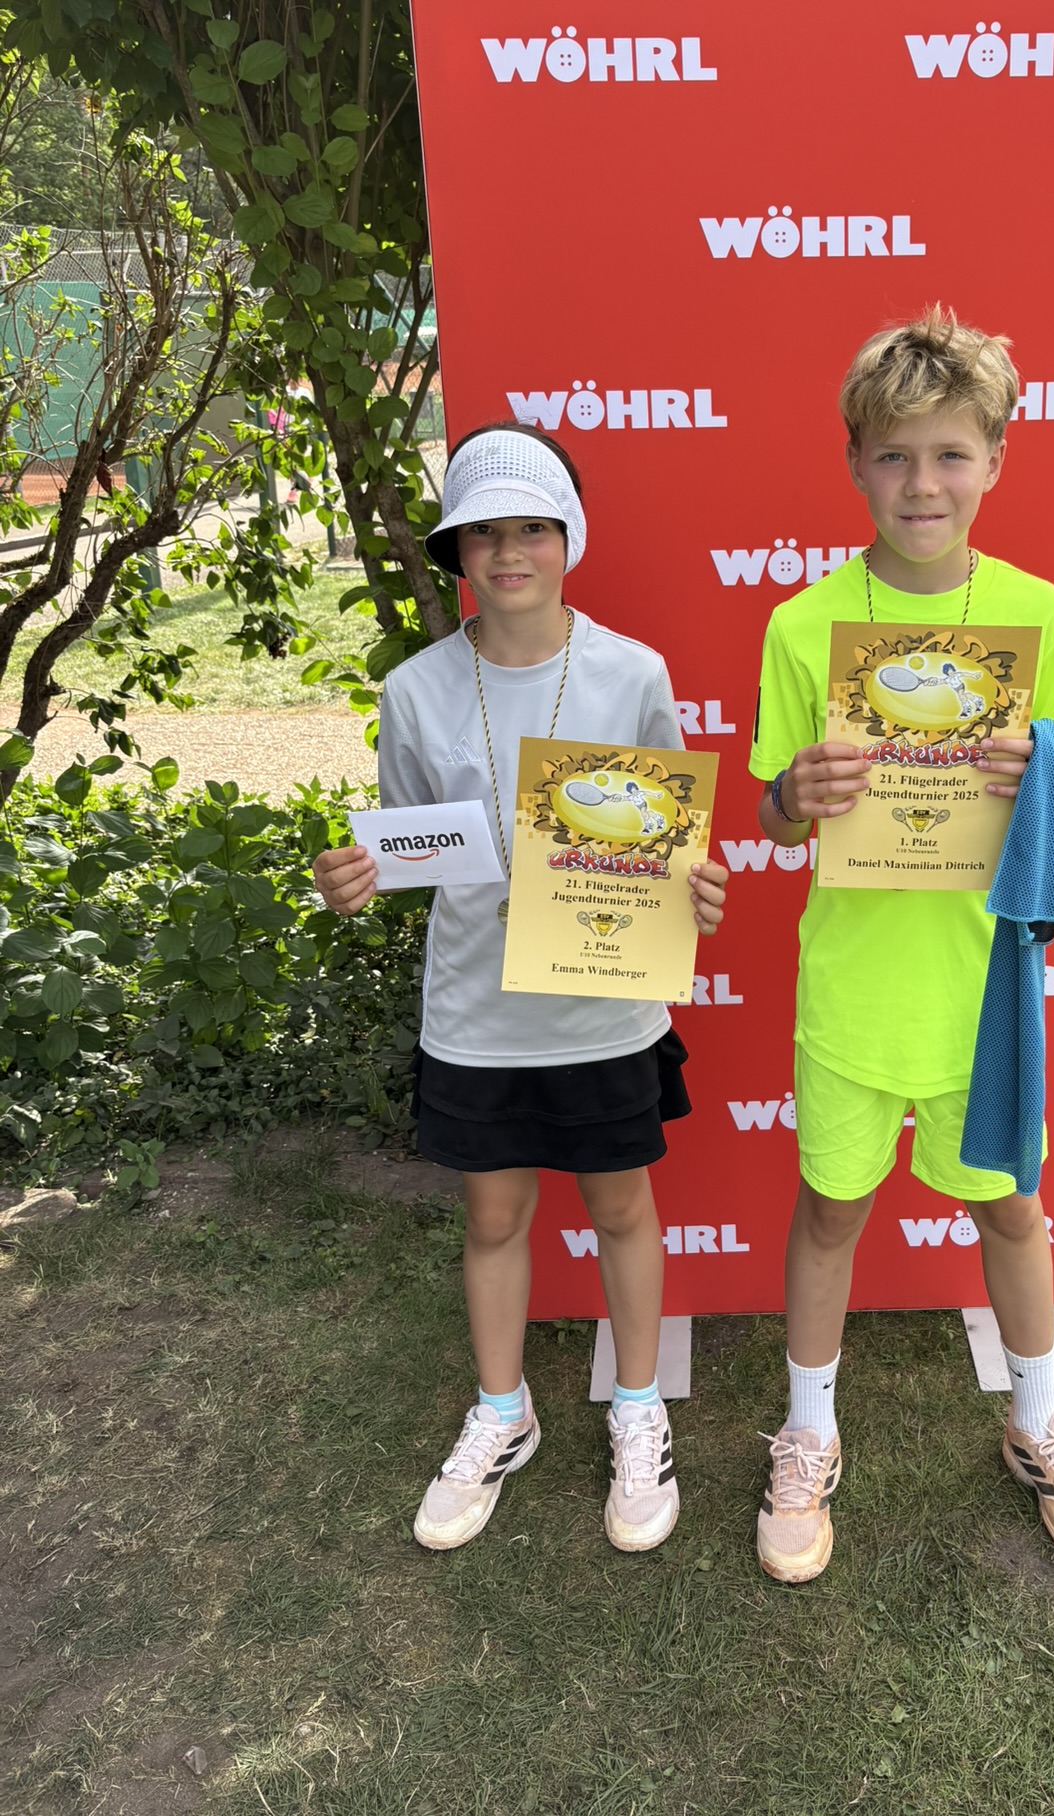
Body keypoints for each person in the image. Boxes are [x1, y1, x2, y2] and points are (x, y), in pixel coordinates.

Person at [748, 309, 1054, 1583]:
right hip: (856, 982)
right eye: (897, 455)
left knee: (1011, 1206)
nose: (924, 482)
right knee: (830, 1208)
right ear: (856, 463)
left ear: (996, 461)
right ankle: (808, 1432)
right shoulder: (804, 626)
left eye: (952, 454)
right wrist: (792, 793)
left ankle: (1039, 1416)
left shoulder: (1035, 613)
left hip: (984, 986)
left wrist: (1040, 763)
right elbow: (770, 810)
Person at [313, 427, 729, 1557]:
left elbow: (673, 840)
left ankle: (637, 1406)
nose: (509, 552)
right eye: (484, 531)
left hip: (604, 1007)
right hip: (477, 1015)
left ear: (570, 538)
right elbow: (408, 849)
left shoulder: (633, 673)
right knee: (493, 1218)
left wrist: (693, 887)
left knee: (621, 1208)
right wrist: (357, 878)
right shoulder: (414, 690)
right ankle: (504, 1410)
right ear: (456, 548)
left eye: (533, 528)